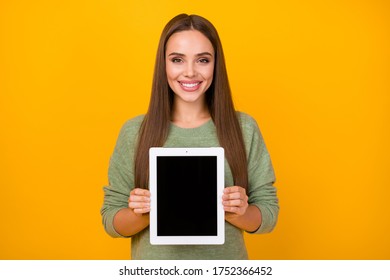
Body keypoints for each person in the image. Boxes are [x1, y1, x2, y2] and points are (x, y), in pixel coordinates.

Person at [101, 14, 279, 260]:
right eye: (177, 60)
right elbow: (112, 219)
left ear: (216, 64)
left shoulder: (244, 128)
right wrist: (143, 213)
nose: (190, 72)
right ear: (163, 64)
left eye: (203, 60)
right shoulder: (134, 132)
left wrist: (241, 211)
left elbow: (268, 214)